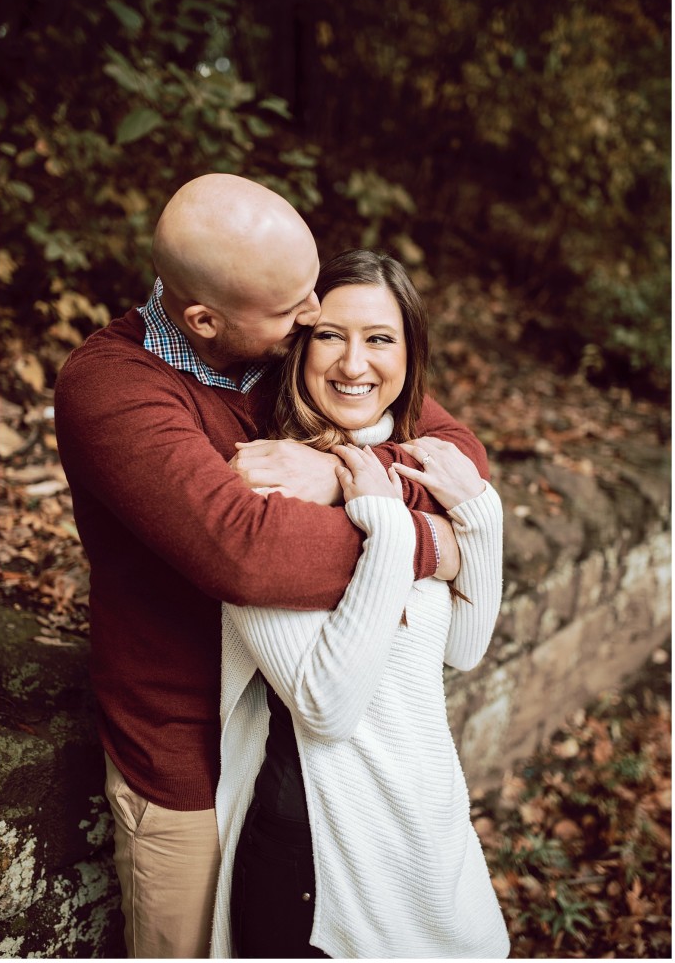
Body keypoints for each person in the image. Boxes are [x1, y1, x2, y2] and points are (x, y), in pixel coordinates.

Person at [53, 174, 491, 959]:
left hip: (303, 757)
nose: (316, 317)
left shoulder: (281, 338)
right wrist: (433, 546)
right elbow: (246, 552)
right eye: (296, 309)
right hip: (188, 751)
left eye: (311, 291)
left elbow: (454, 447)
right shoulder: (113, 390)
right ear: (203, 320)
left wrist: (346, 476)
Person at [211, 250, 509, 959]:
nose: (354, 363)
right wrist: (387, 527)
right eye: (330, 335)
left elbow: (463, 648)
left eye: (380, 338)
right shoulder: (264, 482)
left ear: (411, 355)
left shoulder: (416, 464)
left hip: (425, 831)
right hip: (318, 853)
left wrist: (480, 514)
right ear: (298, 345)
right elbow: (326, 708)